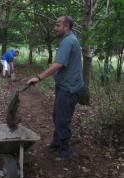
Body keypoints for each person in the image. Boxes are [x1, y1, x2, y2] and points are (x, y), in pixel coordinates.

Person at [27, 16, 84, 161]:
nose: (55, 28)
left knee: (62, 120)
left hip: (69, 89)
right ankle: (57, 142)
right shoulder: (68, 39)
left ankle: (65, 151)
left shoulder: (68, 41)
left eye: (58, 25)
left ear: (66, 27)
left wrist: (38, 78)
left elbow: (58, 64)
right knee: (57, 116)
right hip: (65, 86)